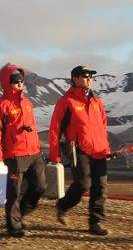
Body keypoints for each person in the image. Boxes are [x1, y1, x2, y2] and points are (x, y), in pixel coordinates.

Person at [49, 65, 113, 236]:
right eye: (85, 76)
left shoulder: (97, 101)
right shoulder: (66, 102)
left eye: (91, 77)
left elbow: (103, 127)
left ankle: (95, 222)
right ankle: (63, 205)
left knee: (100, 186)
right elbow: (55, 129)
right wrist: (54, 154)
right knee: (84, 184)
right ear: (75, 78)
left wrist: (106, 149)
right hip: (79, 149)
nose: (89, 79)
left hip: (99, 149)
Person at [0, 64, 46, 237]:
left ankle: (21, 212)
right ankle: (13, 226)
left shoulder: (27, 103)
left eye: (21, 80)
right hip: (14, 155)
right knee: (14, 192)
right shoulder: (1, 105)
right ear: (7, 83)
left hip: (34, 153)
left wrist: (38, 146)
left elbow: (32, 128)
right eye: (15, 81)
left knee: (40, 186)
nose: (19, 84)